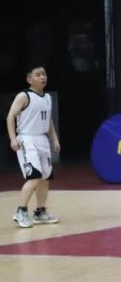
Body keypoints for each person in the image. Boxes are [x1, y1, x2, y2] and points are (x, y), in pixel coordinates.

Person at [6, 65, 61, 228]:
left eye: (44, 74)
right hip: (27, 139)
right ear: (29, 79)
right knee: (34, 176)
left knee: (45, 177)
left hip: (42, 139)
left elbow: (48, 120)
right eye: (38, 74)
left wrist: (54, 139)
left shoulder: (47, 97)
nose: (43, 77)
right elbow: (10, 117)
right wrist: (13, 139)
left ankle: (40, 212)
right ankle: (21, 211)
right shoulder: (24, 96)